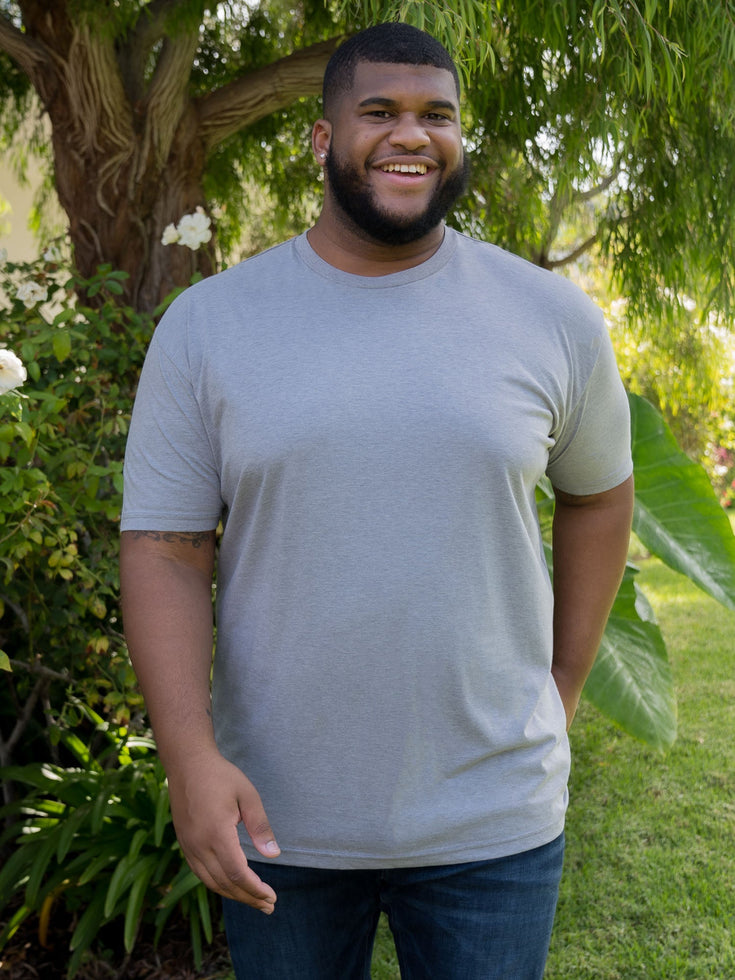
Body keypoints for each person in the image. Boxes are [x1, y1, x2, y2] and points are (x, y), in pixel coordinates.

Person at [120, 21, 634, 980]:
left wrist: (563, 684)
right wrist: (189, 758)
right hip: (277, 818)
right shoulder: (209, 326)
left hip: (493, 819)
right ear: (322, 139)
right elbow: (165, 550)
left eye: (437, 115)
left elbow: (599, 497)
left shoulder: (551, 318)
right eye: (380, 112)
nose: (412, 134)